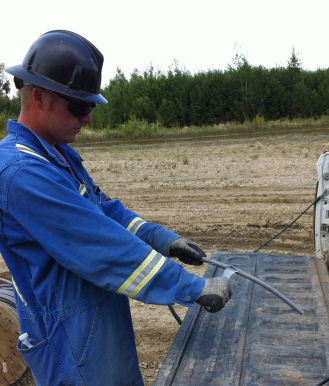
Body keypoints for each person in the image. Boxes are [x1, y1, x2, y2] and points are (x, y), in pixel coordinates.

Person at [0, 30, 231, 385]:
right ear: (40, 98)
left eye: (89, 107)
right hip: (68, 337)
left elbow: (104, 211)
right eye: (79, 107)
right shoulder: (21, 173)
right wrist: (191, 287)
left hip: (92, 320)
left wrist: (163, 239)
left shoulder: (56, 154)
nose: (88, 118)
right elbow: (100, 244)